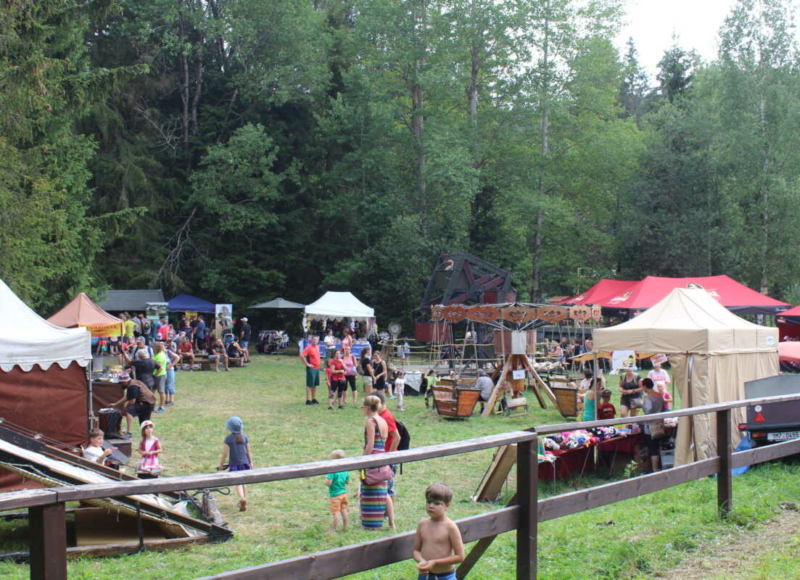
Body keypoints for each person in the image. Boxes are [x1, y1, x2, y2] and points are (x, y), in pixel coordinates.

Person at [412, 483, 465, 580]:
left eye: (437, 503)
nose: (431, 506)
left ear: (447, 505)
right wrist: (422, 561)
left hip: (446, 576)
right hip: (425, 575)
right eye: (429, 502)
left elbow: (460, 556)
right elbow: (416, 551)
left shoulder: (450, 527)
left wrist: (436, 562)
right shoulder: (422, 524)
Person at [360, 395, 389, 529]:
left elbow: (370, 444)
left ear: (367, 407)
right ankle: (379, 521)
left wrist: (362, 461)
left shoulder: (370, 421)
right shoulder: (383, 420)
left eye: (362, 407)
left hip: (372, 460)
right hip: (382, 458)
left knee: (369, 489)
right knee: (380, 492)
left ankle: (370, 523)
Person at [374, 392, 400, 529]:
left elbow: (397, 437)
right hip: (384, 456)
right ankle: (385, 513)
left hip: (389, 458)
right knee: (385, 487)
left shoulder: (386, 416)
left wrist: (388, 456)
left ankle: (390, 516)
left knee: (389, 488)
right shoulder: (381, 416)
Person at [217, 416, 254, 512]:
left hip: (235, 464)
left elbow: (225, 453)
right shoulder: (244, 437)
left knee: (238, 483)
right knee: (244, 481)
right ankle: (245, 498)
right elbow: (248, 451)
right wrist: (251, 463)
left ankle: (242, 498)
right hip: (245, 463)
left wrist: (221, 465)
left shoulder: (228, 439)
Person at [641, 378, 664, 472]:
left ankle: (654, 468)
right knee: (658, 445)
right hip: (660, 424)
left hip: (651, 426)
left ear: (645, 386)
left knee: (653, 447)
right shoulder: (660, 395)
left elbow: (648, 410)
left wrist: (643, 404)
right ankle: (659, 465)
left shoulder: (648, 398)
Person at [326, 449, 350, 531]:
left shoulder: (332, 471)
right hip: (343, 493)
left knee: (335, 512)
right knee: (344, 510)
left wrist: (326, 482)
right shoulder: (345, 470)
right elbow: (347, 482)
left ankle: (334, 528)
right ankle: (345, 527)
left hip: (335, 495)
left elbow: (329, 483)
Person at [301, 335, 322, 405]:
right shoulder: (309, 347)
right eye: (314, 339)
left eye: (316, 340)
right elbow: (302, 355)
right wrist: (307, 364)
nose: (315, 341)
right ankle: (308, 400)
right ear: (311, 340)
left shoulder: (318, 347)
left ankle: (314, 398)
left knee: (314, 384)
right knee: (309, 384)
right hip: (311, 368)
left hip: (317, 368)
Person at [164, 342, 180, 407]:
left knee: (170, 385)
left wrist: (171, 365)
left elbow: (177, 357)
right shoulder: (159, 353)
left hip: (169, 370)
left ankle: (171, 400)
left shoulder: (168, 352)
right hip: (163, 371)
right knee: (165, 385)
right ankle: (166, 400)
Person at [153, 342, 168, 413]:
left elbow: (159, 368)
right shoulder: (157, 354)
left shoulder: (160, 355)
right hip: (155, 375)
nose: (153, 347)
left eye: (155, 346)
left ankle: (161, 406)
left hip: (160, 375)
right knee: (152, 391)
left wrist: (155, 374)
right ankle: (152, 406)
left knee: (161, 391)